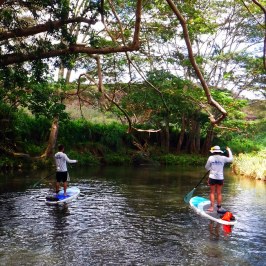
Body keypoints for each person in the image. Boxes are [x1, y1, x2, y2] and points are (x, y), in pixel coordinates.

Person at [205, 145, 233, 213]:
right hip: (220, 178)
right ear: (219, 151)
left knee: (212, 193)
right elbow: (231, 159)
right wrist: (229, 150)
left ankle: (211, 208)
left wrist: (210, 169)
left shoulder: (210, 158)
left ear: (213, 152)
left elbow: (206, 167)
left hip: (212, 177)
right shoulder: (223, 158)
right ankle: (219, 208)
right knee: (219, 193)